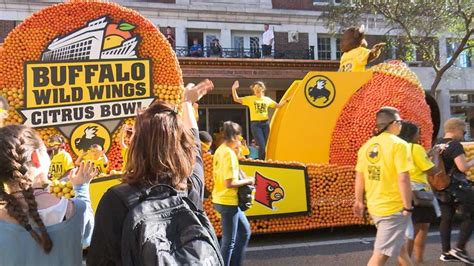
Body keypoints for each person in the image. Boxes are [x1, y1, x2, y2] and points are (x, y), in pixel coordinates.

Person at [87, 79, 214, 265]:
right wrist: (186, 103)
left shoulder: (117, 200)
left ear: (137, 147)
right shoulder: (190, 188)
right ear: (181, 146)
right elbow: (195, 147)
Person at [0, 125, 96, 265]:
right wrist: (81, 188)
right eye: (48, 152)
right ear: (36, 158)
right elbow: (87, 238)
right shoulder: (76, 210)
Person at [353, 107, 413, 266]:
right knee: (380, 256)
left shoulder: (366, 146)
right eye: (400, 122)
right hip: (393, 208)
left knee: (400, 250)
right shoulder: (399, 145)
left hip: (375, 205)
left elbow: (360, 175)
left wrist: (359, 201)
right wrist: (408, 206)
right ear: (392, 124)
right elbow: (404, 178)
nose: (401, 125)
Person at [212, 121, 254, 266]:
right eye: (240, 135)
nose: (241, 139)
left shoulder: (220, 150)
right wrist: (249, 180)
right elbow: (229, 183)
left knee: (243, 232)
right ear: (235, 136)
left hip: (221, 198)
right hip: (227, 200)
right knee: (229, 242)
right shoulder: (228, 154)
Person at [398, 121, 440, 264]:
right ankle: (417, 261)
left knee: (408, 230)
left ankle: (406, 260)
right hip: (418, 192)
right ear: (411, 135)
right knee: (420, 228)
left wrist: (426, 155)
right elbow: (432, 170)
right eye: (418, 133)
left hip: (401, 191)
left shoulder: (398, 147)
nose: (419, 136)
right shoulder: (416, 148)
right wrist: (435, 155)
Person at [435, 118, 474, 263]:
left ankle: (446, 252)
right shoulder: (455, 145)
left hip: (441, 186)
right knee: (471, 214)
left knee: (446, 218)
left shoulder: (438, 143)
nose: (463, 134)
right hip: (456, 187)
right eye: (463, 131)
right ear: (457, 129)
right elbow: (462, 167)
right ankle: (460, 249)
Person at [232, 80, 290, 160]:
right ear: (253, 90)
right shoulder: (250, 99)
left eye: (258, 88)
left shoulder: (267, 99)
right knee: (262, 145)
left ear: (262, 89)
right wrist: (234, 89)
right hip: (256, 125)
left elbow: (278, 105)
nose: (257, 90)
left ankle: (264, 160)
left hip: (265, 124)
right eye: (255, 88)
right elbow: (236, 99)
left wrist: (287, 100)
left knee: (265, 146)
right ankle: (260, 161)